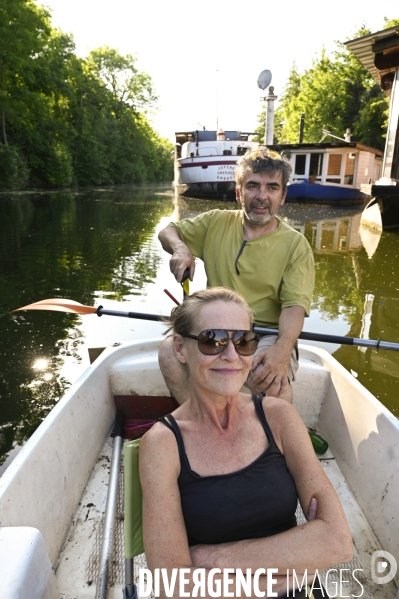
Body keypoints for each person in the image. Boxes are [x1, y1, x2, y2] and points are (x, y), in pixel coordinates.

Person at [140, 288, 352, 598]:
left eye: (243, 341)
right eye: (212, 340)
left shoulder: (279, 416)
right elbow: (172, 586)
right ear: (180, 348)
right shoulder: (162, 443)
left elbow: (337, 542)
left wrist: (215, 558)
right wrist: (290, 574)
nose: (231, 356)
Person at [158, 149, 314, 404]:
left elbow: (294, 306)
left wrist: (282, 350)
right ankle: (202, 426)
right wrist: (181, 248)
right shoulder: (214, 222)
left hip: (266, 333)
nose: (262, 196)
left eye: (272, 188)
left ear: (283, 196)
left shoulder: (296, 245)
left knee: (269, 378)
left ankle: (269, 438)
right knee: (169, 352)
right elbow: (168, 231)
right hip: (215, 326)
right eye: (253, 186)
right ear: (239, 193)